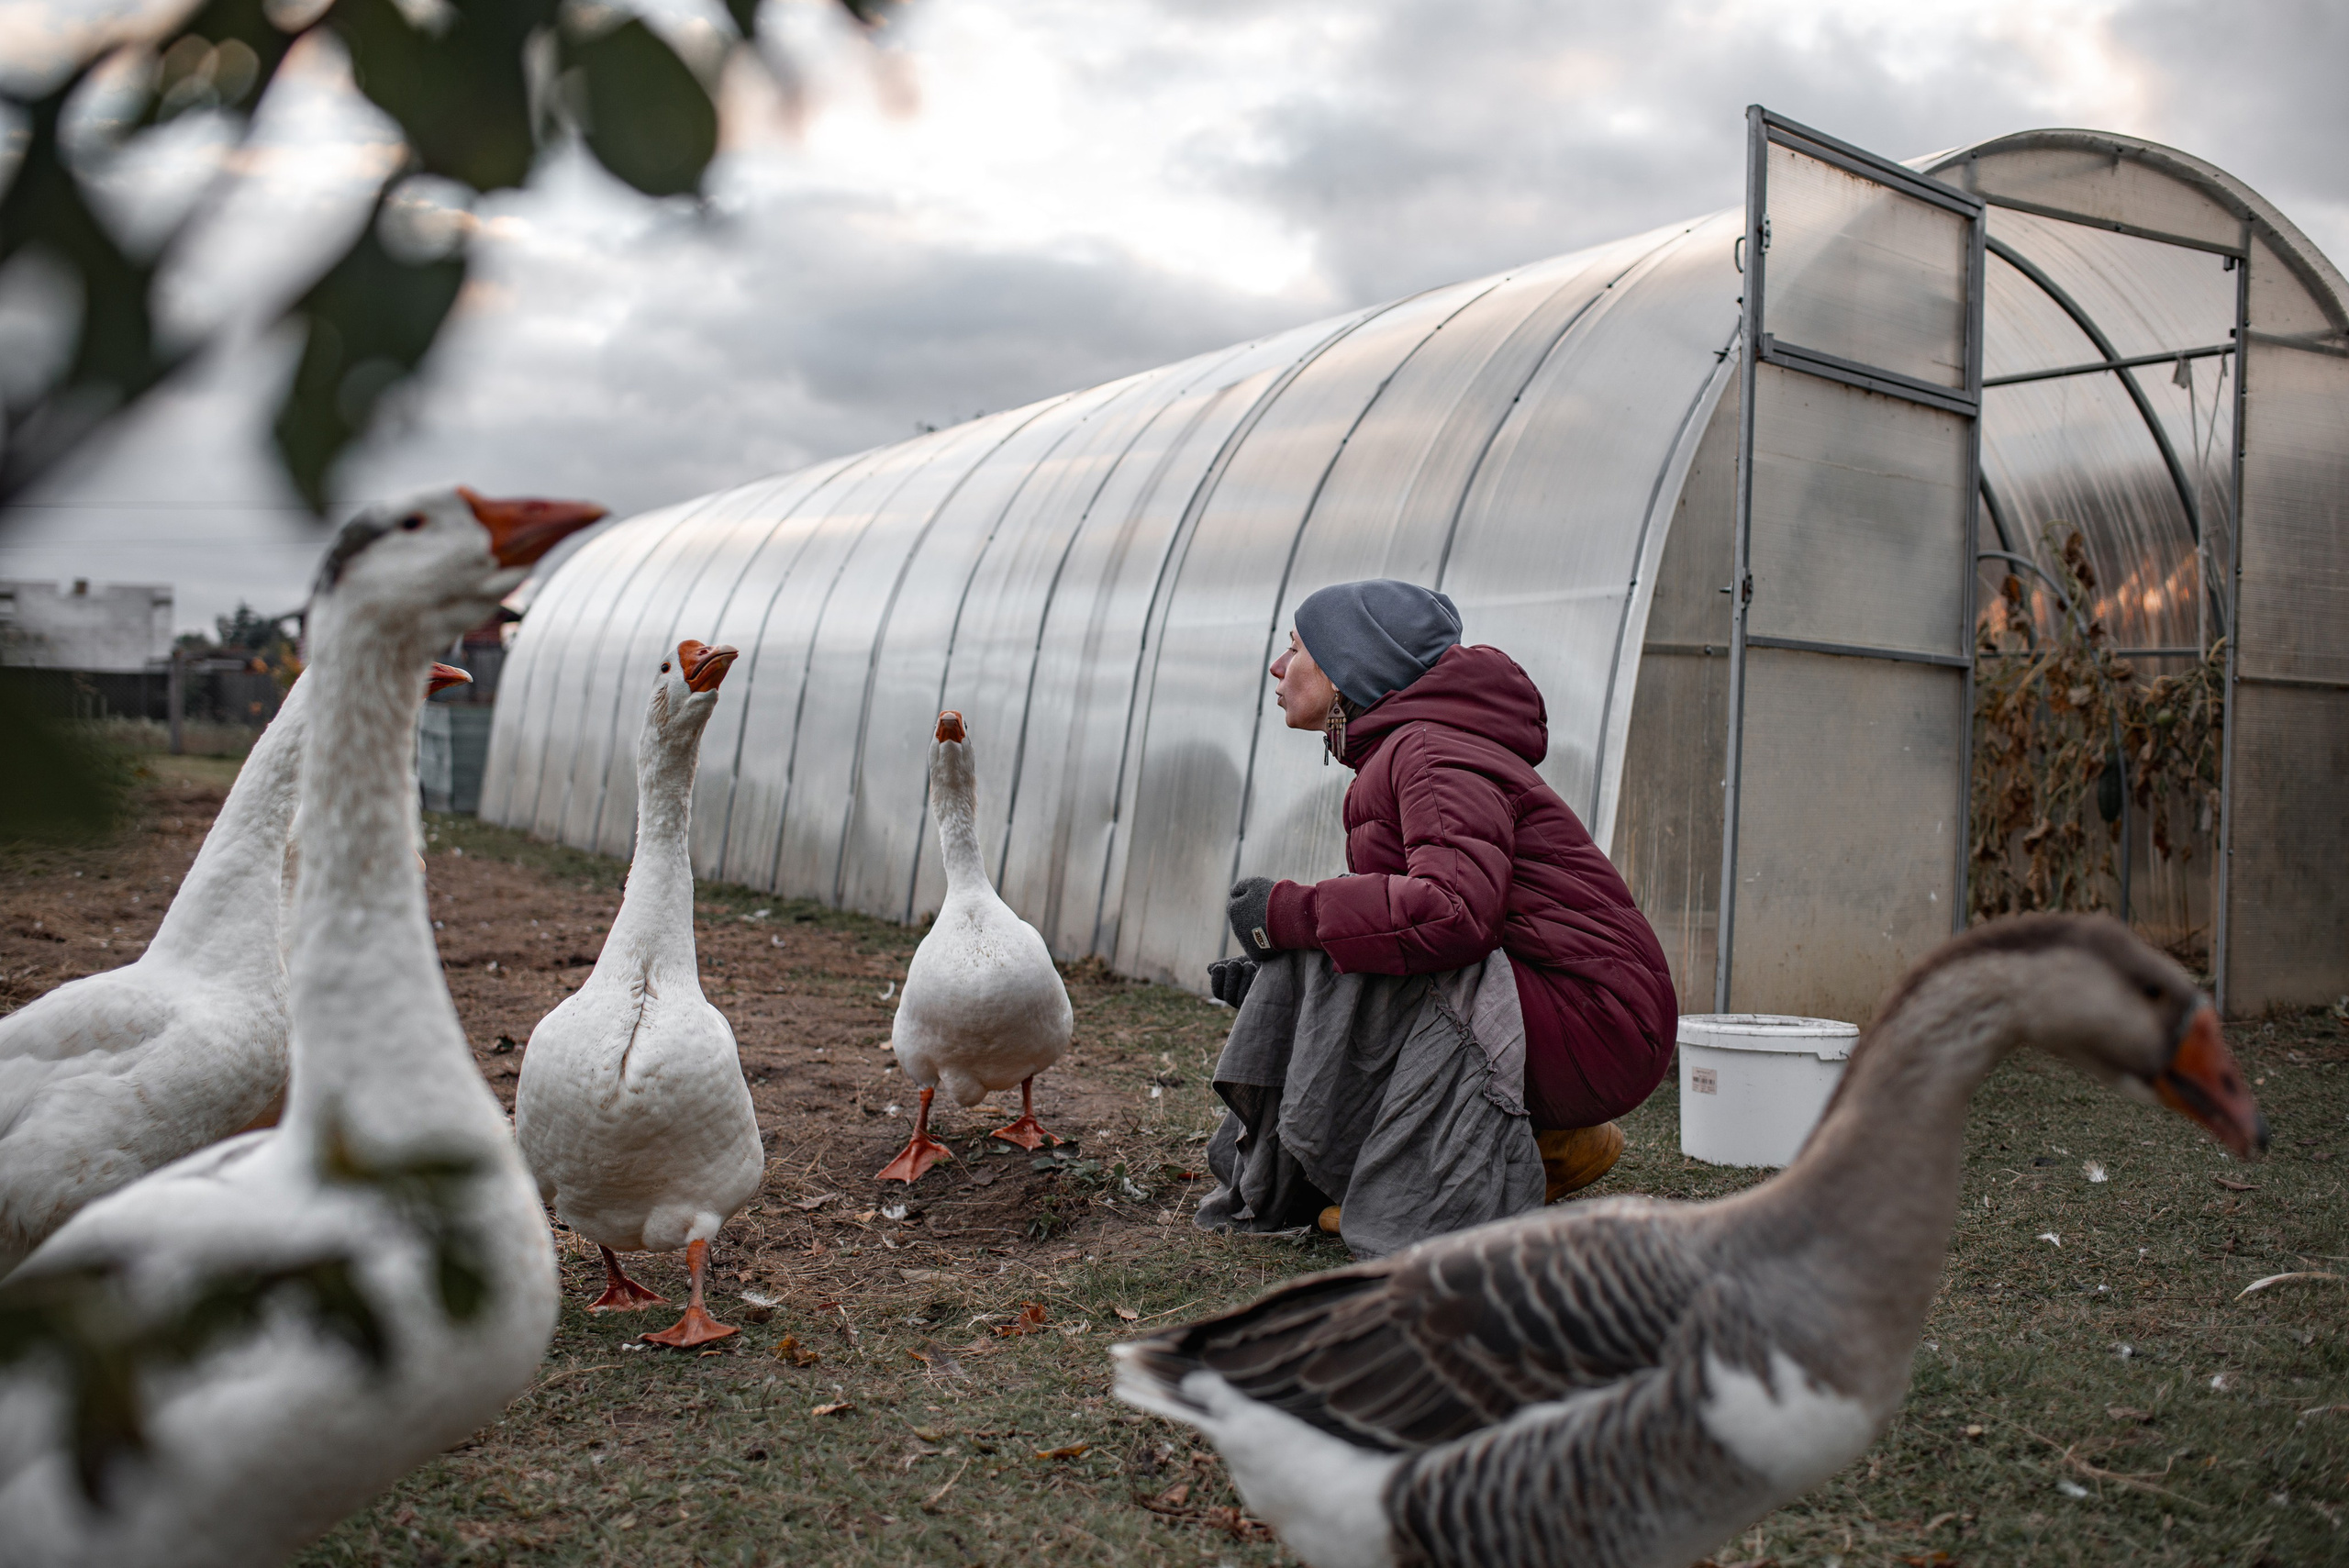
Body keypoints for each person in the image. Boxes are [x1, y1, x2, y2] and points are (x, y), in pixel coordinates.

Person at [1205, 579, 1677, 1246]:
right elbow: (1394, 925)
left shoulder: (1429, 750)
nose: (1279, 668)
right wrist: (1289, 980)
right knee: (1355, 941)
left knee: (1374, 935)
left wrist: (1289, 915)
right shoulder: (1411, 748)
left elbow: (1452, 913)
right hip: (1578, 1013)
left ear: (1348, 666)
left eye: (1296, 648)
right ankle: (1556, 1145)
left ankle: (1449, 1183)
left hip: (1596, 1020)